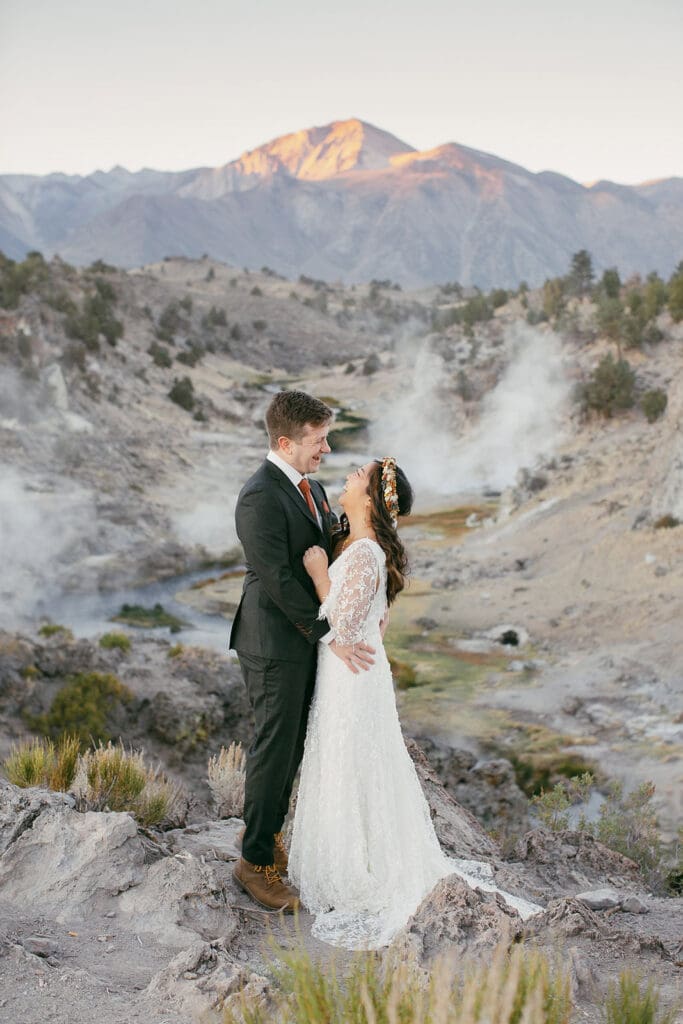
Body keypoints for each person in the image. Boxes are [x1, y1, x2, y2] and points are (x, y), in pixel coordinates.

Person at [288, 457, 543, 949]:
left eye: (357, 475)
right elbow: (368, 620)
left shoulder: (364, 554)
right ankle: (347, 856)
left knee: (353, 764)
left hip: (352, 678)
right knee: (348, 763)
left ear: (369, 497)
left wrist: (320, 574)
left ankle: (358, 869)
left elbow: (339, 624)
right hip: (350, 673)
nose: (347, 476)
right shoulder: (360, 546)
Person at [229, 390, 375, 912]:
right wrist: (331, 635)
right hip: (272, 645)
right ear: (286, 442)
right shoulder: (260, 495)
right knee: (274, 749)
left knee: (292, 748)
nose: (328, 450)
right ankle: (254, 863)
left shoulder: (306, 487)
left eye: (328, 438)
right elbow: (276, 582)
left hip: (299, 643)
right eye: (318, 441)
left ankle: (267, 842)